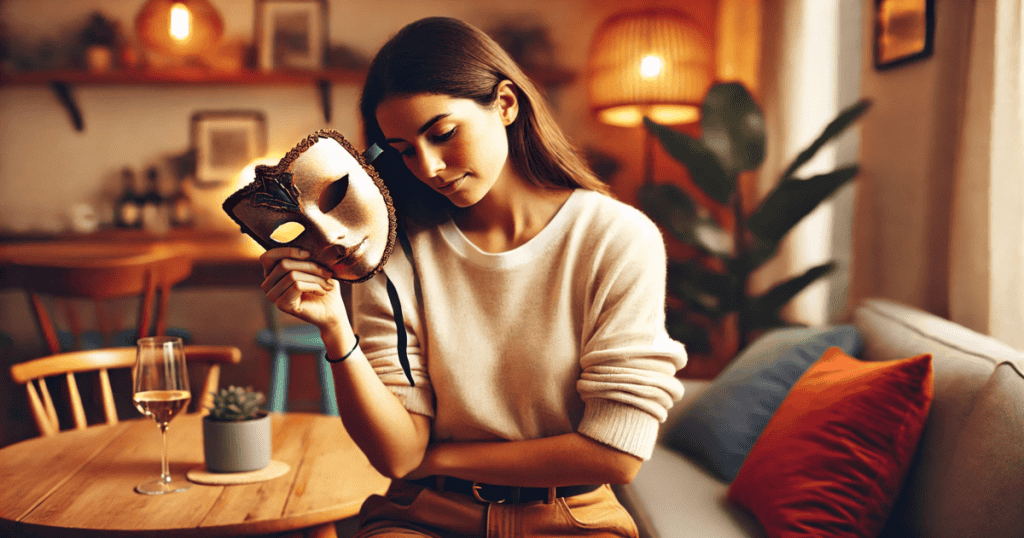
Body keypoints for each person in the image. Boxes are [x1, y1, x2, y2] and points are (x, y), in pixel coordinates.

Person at [259, 16, 687, 538]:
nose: (430, 167)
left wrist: (439, 459)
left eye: (442, 134)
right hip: (423, 518)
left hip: (569, 519)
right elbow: (398, 455)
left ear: (506, 103)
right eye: (403, 152)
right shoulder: (394, 252)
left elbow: (615, 455)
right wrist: (334, 328)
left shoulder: (616, 239)